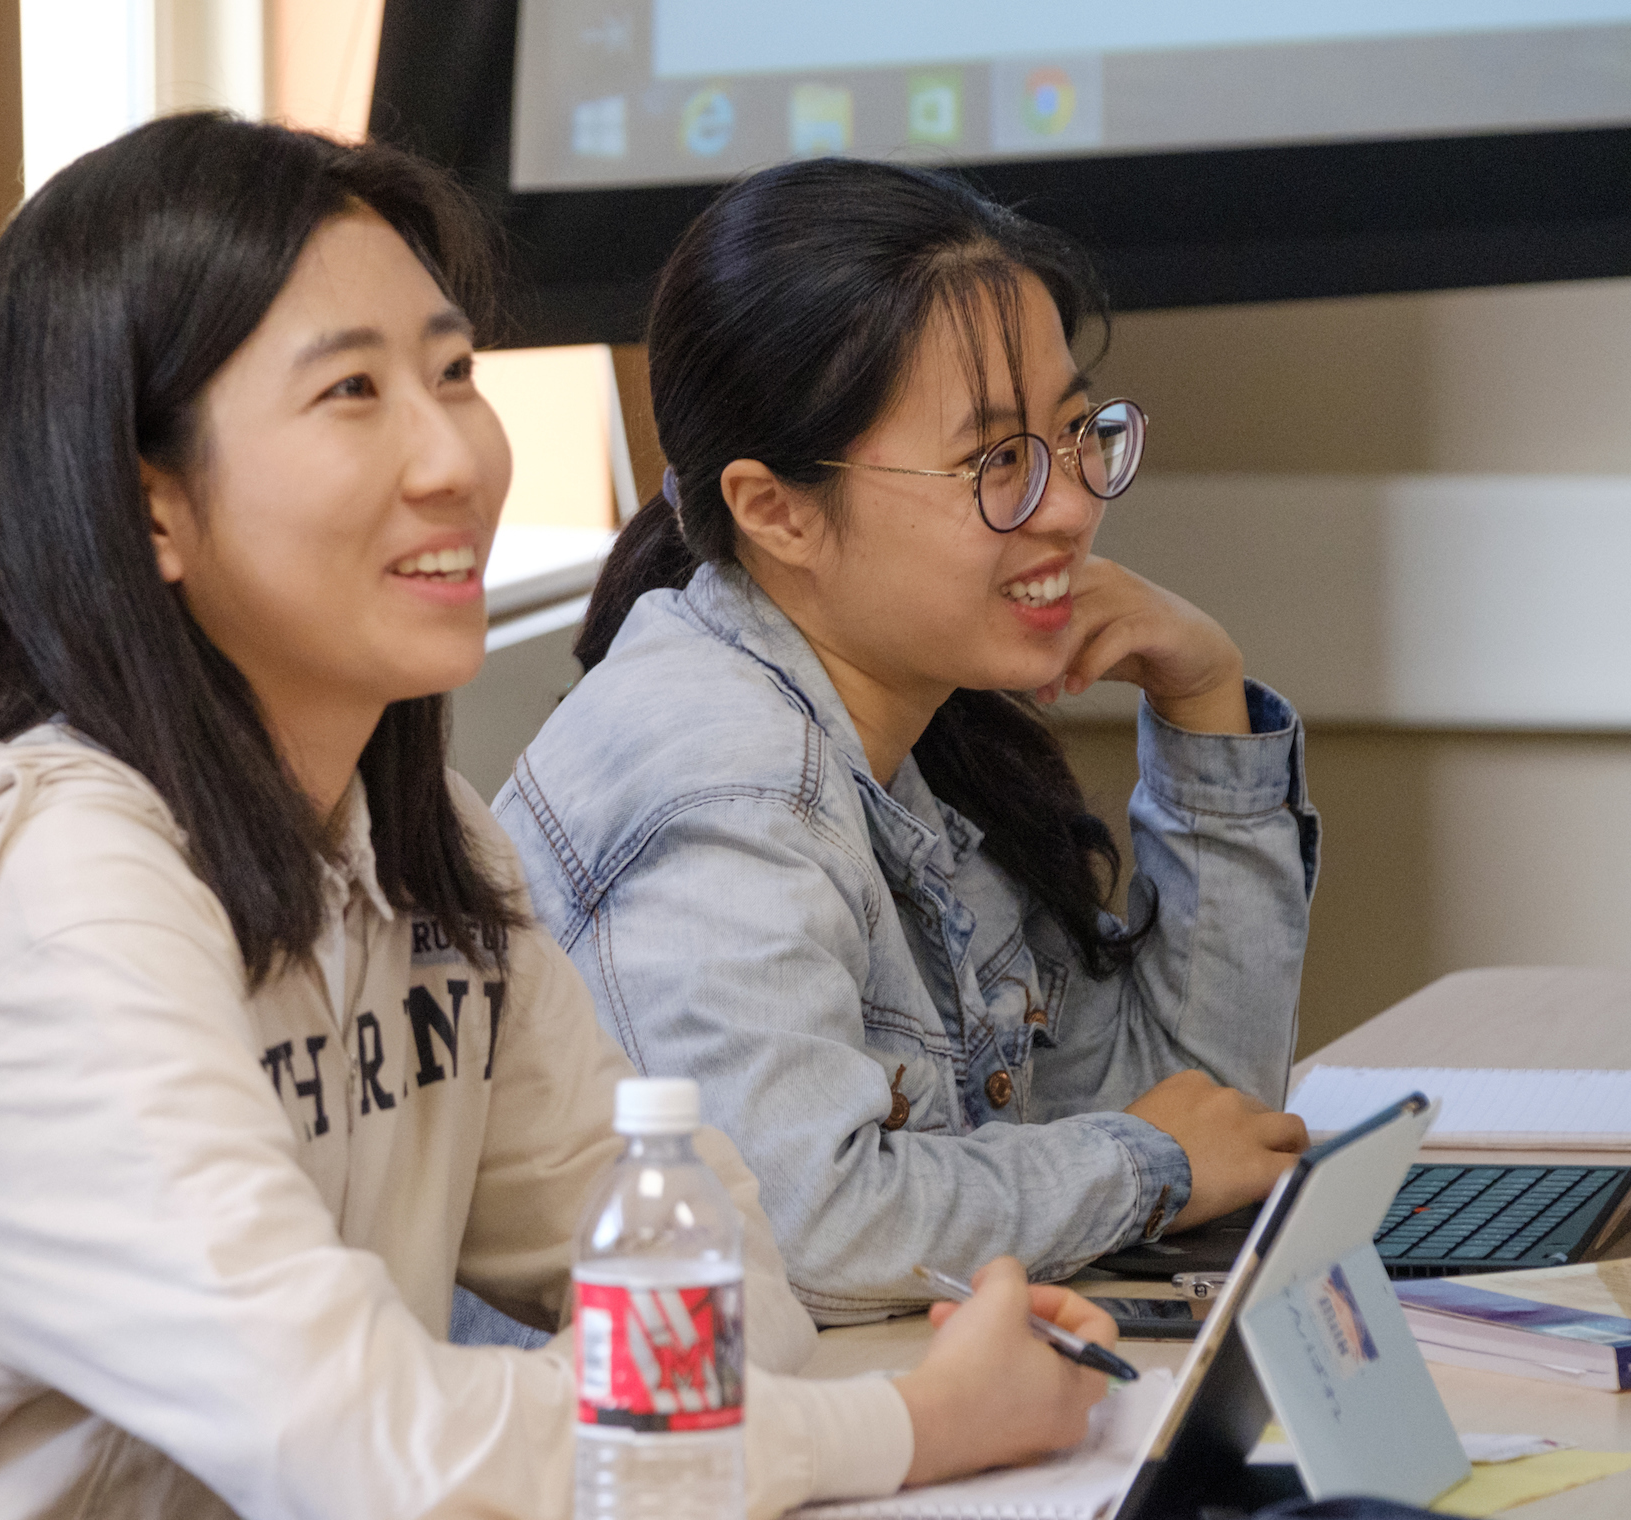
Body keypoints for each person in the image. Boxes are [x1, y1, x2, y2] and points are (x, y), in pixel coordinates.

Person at [0, 118, 1121, 1520]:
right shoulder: (47, 888)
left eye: (455, 373)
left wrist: (851, 1410)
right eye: (353, 390)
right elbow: (352, 1435)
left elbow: (686, 1260)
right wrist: (905, 1426)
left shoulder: (419, 840)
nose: (454, 456)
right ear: (149, 499)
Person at [492, 158, 1317, 1326]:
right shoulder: (720, 775)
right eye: (996, 462)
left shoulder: (924, 728)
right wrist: (1146, 1166)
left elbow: (1206, 1109)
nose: (1072, 505)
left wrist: (1203, 700)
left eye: (1077, 432)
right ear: (776, 510)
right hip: (641, 1488)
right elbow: (798, 1229)